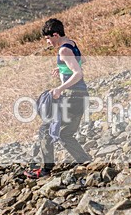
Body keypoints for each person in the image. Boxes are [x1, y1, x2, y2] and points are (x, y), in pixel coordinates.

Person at [25, 18, 92, 178]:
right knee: (65, 134)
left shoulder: (63, 50)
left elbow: (78, 73)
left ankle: (45, 170)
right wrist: (62, 67)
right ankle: (85, 161)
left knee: (45, 130)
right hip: (81, 97)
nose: (48, 43)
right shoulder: (72, 44)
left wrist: (59, 89)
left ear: (55, 35)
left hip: (72, 97)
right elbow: (82, 60)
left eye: (48, 38)